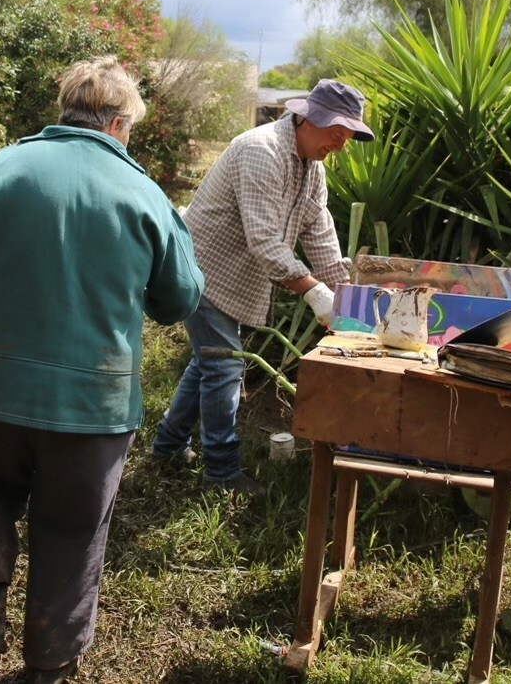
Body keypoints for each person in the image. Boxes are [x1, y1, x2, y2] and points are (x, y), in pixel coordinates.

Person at [0, 56, 204, 684]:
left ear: (66, 111)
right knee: (74, 527)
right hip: (93, 405)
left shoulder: (4, 168)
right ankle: (47, 667)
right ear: (119, 122)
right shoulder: (146, 195)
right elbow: (178, 300)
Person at [150, 78, 373, 494]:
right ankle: (220, 472)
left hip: (235, 275)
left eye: (347, 139)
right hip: (204, 270)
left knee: (209, 362)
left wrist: (343, 293)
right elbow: (265, 241)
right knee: (224, 367)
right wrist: (313, 291)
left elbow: (319, 229)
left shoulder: (312, 168)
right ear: (308, 120)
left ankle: (167, 446)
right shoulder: (261, 150)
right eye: (336, 135)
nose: (340, 146)